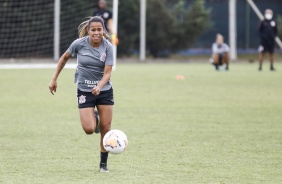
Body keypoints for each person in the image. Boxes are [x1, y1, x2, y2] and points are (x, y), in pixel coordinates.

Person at [49, 16, 114, 173]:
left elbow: (107, 74)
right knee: (89, 129)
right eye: (93, 30)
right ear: (88, 31)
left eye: (99, 29)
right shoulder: (79, 44)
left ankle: (103, 165)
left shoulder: (108, 47)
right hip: (85, 91)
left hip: (104, 91)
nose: (96, 32)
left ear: (103, 31)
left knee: (106, 128)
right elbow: (64, 59)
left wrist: (99, 86)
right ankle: (95, 118)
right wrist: (54, 79)